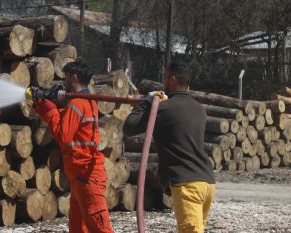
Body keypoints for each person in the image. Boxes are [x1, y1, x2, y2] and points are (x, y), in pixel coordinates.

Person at [123, 61, 215, 233]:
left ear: (173, 79)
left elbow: (129, 126)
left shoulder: (163, 110)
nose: (163, 82)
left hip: (187, 184)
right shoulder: (199, 109)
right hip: (207, 182)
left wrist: (147, 102)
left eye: (165, 77)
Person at [33, 61, 114, 233]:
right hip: (80, 176)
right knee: (78, 229)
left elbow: (63, 135)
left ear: (74, 77)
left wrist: (50, 110)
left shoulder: (77, 103)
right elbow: (68, 121)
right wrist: (44, 106)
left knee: (100, 229)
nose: (64, 81)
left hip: (87, 176)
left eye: (66, 77)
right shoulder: (87, 101)